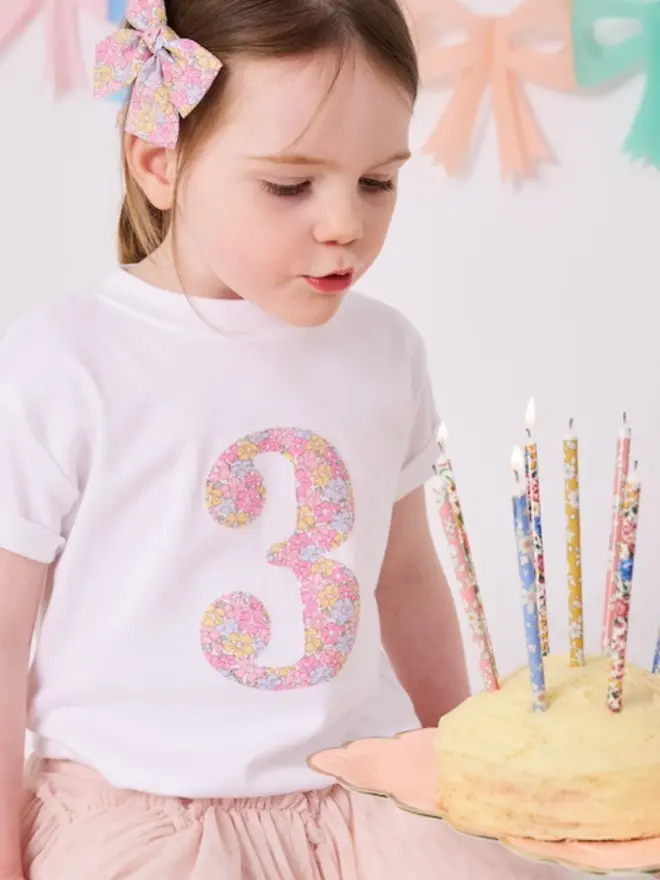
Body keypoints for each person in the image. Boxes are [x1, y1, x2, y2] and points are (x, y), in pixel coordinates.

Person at [0, 0, 568, 877]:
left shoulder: (383, 350)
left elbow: (406, 573)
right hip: (143, 812)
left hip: (361, 791)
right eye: (289, 185)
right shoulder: (64, 363)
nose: (345, 222)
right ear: (160, 162)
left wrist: (463, 754)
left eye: (377, 181)